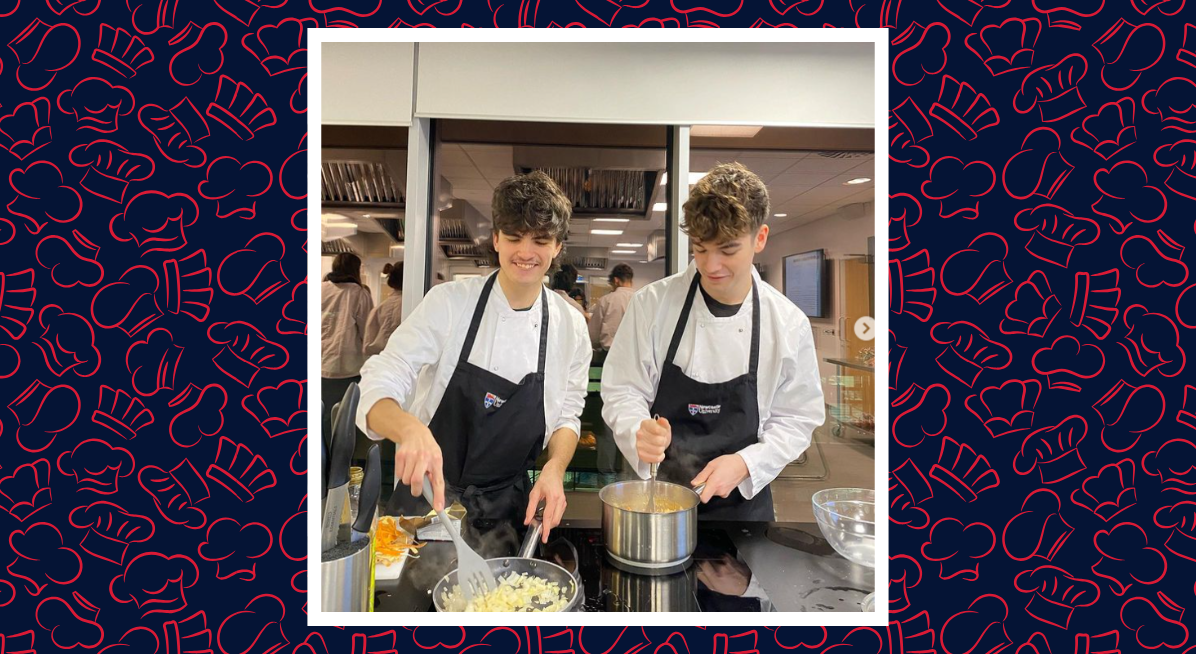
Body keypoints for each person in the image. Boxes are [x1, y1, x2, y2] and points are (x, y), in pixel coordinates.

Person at [356, 171, 591, 543]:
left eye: (541, 241)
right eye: (514, 238)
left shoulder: (570, 327)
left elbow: (568, 414)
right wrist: (408, 428)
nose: (526, 252)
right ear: (496, 238)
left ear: (558, 246)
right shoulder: (450, 304)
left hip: (509, 509)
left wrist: (555, 469)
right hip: (426, 497)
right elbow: (383, 376)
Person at [600, 163, 824, 520]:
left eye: (728, 250)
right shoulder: (653, 305)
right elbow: (622, 390)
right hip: (658, 503)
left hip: (743, 508)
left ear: (760, 237)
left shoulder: (787, 323)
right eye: (700, 249)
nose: (711, 265)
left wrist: (746, 463)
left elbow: (797, 417)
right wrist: (636, 429)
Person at [322, 252, 373, 440]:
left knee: (321, 418)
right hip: (347, 367)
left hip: (319, 364)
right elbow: (366, 332)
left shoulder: (319, 289)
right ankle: (342, 464)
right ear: (356, 269)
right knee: (344, 420)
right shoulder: (358, 293)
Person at [589, 263, 635, 349]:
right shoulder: (641, 299)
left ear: (616, 280)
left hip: (609, 353)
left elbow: (593, 335)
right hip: (635, 354)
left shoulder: (606, 300)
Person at [363, 262, 404, 357]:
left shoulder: (379, 309)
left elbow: (367, 345)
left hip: (380, 362)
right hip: (404, 364)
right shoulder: (415, 307)